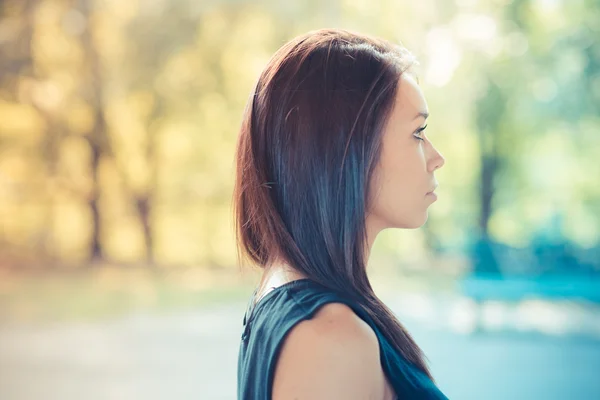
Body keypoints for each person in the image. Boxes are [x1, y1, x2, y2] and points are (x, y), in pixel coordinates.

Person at [233, 28, 447, 400]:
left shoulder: (291, 293)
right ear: (348, 152)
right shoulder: (329, 340)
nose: (436, 157)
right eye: (418, 132)